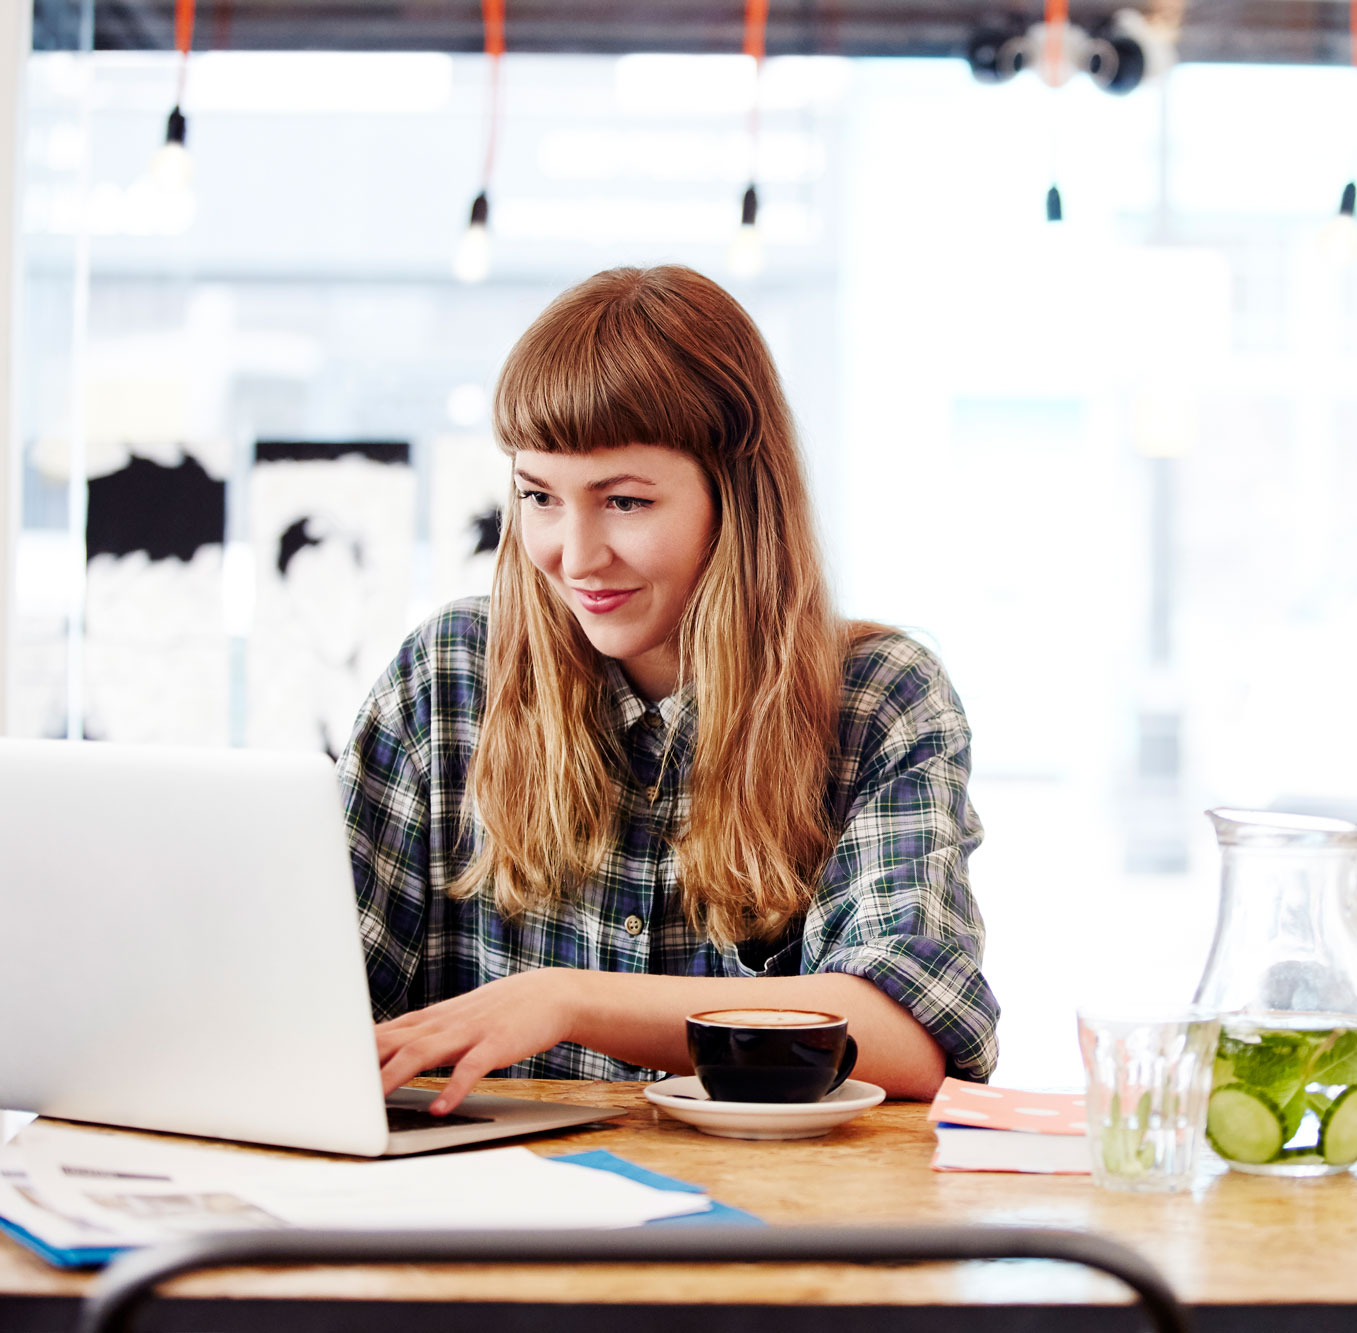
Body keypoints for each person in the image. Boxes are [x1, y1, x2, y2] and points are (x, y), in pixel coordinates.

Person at [339, 266, 997, 1115]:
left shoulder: (879, 699)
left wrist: (567, 1001)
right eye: (539, 496)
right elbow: (315, 999)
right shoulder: (447, 676)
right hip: (485, 1219)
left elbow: (908, 1032)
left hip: (764, 1221)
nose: (574, 557)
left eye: (624, 501)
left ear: (737, 497)